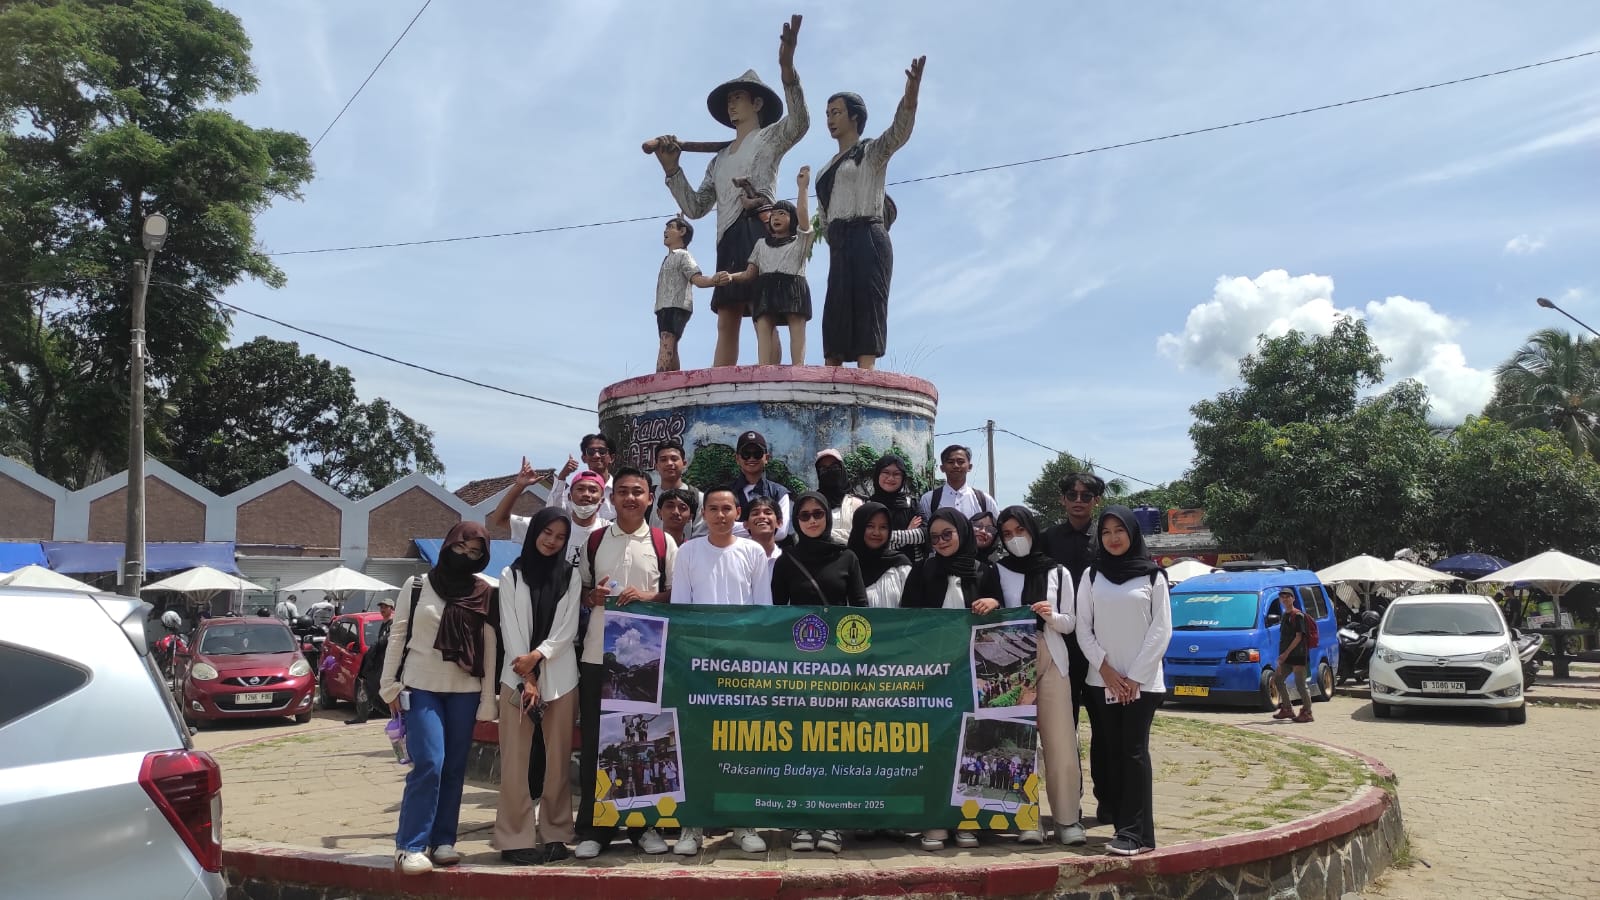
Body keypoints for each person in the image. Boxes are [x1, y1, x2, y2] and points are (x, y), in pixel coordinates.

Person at [653, 15, 809, 367]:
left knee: (762, 313)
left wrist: (788, 69)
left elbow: (800, 123)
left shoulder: (769, 139)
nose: (732, 104)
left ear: (756, 104)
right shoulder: (719, 160)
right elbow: (695, 207)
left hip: (760, 230)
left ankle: (770, 377)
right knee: (727, 316)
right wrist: (672, 169)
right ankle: (721, 381)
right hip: (727, 236)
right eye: (730, 100)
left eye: (738, 98)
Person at [379, 522, 499, 875]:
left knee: (455, 767)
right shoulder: (417, 585)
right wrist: (389, 685)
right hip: (420, 685)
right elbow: (398, 634)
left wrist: (488, 697)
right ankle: (410, 845)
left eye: (476, 552)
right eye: (462, 548)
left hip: (466, 689)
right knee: (430, 762)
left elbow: (490, 645)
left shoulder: (485, 591)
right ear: (448, 546)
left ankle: (444, 839)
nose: (466, 556)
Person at [573, 467, 678, 860]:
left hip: (645, 660)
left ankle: (643, 827)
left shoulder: (662, 541)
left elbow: (677, 595)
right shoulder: (596, 540)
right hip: (598, 656)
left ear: (650, 498)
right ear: (611, 499)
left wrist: (651, 598)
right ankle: (594, 828)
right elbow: (580, 591)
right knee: (597, 742)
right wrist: (592, 598)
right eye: (622, 492)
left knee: (637, 746)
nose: (630, 498)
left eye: (638, 492)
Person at [665, 487, 772, 855]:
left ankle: (743, 823)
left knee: (742, 742)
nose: (721, 514)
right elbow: (680, 611)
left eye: (727, 508)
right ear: (704, 514)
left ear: (737, 512)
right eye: (713, 508)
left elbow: (763, 612)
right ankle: (691, 827)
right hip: (699, 665)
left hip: (743, 666)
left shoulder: (753, 552)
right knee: (697, 743)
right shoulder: (689, 552)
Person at [983, 506, 1086, 846]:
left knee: (1060, 741)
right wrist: (988, 605)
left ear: (1032, 529)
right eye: (1007, 534)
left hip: (1053, 656)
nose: (1015, 539)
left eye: (1020, 531)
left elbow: (1071, 621)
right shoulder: (996, 571)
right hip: (1010, 663)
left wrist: (1052, 616)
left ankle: (1068, 819)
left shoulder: (1058, 572)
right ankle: (1024, 818)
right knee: (1014, 742)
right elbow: (987, 615)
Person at [815, 56, 925, 369]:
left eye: (836, 112)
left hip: (868, 236)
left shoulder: (870, 152)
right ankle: (831, 377)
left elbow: (898, 132)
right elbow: (824, 216)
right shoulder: (825, 171)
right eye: (827, 114)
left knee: (868, 305)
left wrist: (911, 94)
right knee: (835, 311)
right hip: (839, 241)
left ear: (854, 117)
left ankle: (866, 376)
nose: (830, 119)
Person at [770, 493, 864, 854]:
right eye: (805, 515)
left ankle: (833, 823)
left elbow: (859, 609)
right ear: (797, 520)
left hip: (840, 667)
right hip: (799, 668)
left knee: (835, 743)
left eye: (818, 514)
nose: (811, 520)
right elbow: (777, 614)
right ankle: (802, 824)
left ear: (827, 517)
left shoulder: (847, 557)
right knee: (802, 744)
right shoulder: (787, 559)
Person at [1075, 507, 1172, 857]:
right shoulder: (1091, 575)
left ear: (1133, 533)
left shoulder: (1152, 576)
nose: (1113, 538)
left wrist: (1133, 678)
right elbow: (1082, 626)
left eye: (1120, 530)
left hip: (1141, 686)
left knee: (1133, 753)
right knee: (1111, 753)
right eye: (1106, 532)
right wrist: (1106, 670)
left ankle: (1134, 833)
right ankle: (1129, 831)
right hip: (1102, 683)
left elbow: (1161, 630)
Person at [493, 509, 582, 865]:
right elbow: (509, 627)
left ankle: (557, 834)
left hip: (561, 679)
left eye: (560, 537)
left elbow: (567, 627)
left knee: (557, 763)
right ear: (534, 533)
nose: (552, 541)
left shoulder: (570, 576)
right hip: (516, 680)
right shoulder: (510, 574)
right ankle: (514, 837)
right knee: (515, 764)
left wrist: (539, 656)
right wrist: (526, 676)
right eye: (547, 533)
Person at [900, 508, 992, 851]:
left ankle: (969, 820)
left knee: (975, 745)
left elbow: (1003, 615)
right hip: (933, 677)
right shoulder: (922, 571)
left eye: (947, 535)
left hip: (975, 674)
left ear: (963, 533)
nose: (940, 542)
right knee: (936, 746)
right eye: (934, 537)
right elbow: (907, 622)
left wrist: (993, 601)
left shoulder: (984, 570)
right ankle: (935, 820)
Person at [1040, 471, 1106, 817]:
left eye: (1086, 495)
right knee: (1066, 729)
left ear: (1097, 500)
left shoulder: (1109, 535)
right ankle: (1070, 805)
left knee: (1106, 727)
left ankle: (1109, 800)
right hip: (1062, 645)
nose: (1078, 500)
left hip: (1101, 645)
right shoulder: (1047, 538)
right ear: (1063, 499)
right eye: (1072, 494)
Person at [726, 168, 814, 365]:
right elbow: (750, 273)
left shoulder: (799, 241)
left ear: (792, 219)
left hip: (793, 286)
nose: (775, 217)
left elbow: (804, 215)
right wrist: (731, 277)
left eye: (782, 214)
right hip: (766, 289)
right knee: (764, 323)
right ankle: (764, 365)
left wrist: (802, 188)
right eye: (774, 214)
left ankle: (798, 366)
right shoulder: (761, 244)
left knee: (796, 323)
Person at [654, 216, 727, 372]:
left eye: (670, 227)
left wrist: (713, 280)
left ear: (682, 231)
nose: (665, 231)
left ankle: (661, 376)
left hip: (676, 305)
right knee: (670, 343)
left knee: (667, 340)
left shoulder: (683, 255)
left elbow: (697, 278)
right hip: (663, 305)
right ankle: (672, 376)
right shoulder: (669, 257)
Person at [726, 430, 792, 541]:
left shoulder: (779, 493)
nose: (751, 458)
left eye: (757, 454)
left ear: (766, 458)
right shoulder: (727, 493)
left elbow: (781, 532)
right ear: (737, 458)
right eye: (746, 454)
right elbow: (718, 527)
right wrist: (764, 526)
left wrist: (737, 527)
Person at [848, 502, 911, 608]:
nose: (876, 532)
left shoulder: (901, 566)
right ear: (859, 527)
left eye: (883, 527)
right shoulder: (845, 564)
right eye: (870, 526)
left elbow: (912, 610)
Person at [344, 597, 396, 725]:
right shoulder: (383, 624)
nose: (382, 609)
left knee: (376, 689)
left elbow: (383, 642)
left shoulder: (393, 625)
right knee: (366, 687)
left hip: (388, 664)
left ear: (392, 609)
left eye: (385, 607)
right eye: (381, 607)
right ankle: (363, 716)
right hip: (378, 664)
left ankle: (392, 715)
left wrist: (371, 650)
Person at [918, 445, 999, 524]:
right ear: (942, 468)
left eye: (960, 462)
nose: (956, 466)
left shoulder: (984, 500)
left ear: (969, 467)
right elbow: (924, 531)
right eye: (950, 462)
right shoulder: (929, 499)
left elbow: (998, 530)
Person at [1270, 587, 1315, 723]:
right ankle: (1287, 709)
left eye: (1287, 596)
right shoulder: (1285, 615)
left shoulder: (1298, 615)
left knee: (1300, 684)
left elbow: (1298, 637)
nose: (1285, 599)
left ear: (1293, 599)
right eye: (1282, 597)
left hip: (1298, 655)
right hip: (1287, 655)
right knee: (1277, 679)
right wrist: (1282, 657)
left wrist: (1286, 653)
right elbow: (1284, 638)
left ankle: (1307, 712)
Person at [865, 453, 924, 555]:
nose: (891, 478)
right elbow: (865, 541)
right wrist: (908, 533)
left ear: (903, 477)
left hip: (910, 567)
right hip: (877, 566)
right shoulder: (868, 506)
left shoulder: (911, 504)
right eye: (886, 472)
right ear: (877, 474)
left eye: (896, 474)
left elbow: (924, 534)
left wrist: (883, 538)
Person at [548, 435, 618, 520]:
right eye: (591, 452)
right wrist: (562, 476)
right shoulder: (573, 492)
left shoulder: (620, 491)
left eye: (602, 451)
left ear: (612, 458)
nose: (596, 455)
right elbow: (553, 513)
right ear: (584, 458)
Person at [648, 440, 704, 536]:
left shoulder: (698, 498)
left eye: (674, 459)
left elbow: (700, 537)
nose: (669, 463)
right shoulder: (648, 497)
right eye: (663, 459)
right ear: (656, 466)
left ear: (684, 463)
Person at [812, 448, 862, 544]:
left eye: (834, 467)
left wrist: (824, 535)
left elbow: (860, 537)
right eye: (823, 469)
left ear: (842, 470)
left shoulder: (855, 504)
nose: (829, 471)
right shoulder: (814, 503)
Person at [745, 496, 784, 606]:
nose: (762, 516)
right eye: (755, 513)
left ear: (779, 522)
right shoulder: (737, 559)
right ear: (745, 524)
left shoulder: (787, 560)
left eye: (768, 512)